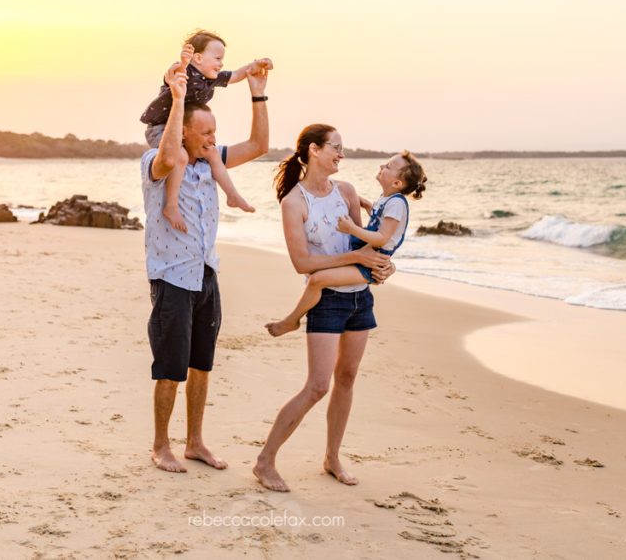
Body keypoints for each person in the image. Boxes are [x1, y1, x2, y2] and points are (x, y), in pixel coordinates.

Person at [140, 55, 270, 474]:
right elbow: (166, 156)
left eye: (215, 131)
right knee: (170, 369)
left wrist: (257, 91)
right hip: (172, 279)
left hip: (206, 275)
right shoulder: (159, 163)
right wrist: (178, 100)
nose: (214, 138)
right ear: (185, 133)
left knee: (201, 365)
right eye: (206, 132)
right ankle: (161, 446)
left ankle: (195, 441)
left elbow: (259, 146)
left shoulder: (209, 159)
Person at [253, 124, 395, 492]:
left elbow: (368, 246)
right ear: (314, 150)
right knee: (317, 386)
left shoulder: (346, 192)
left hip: (359, 297)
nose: (341, 155)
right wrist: (357, 256)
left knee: (346, 379)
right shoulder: (294, 203)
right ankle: (265, 461)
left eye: (342, 148)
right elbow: (302, 262)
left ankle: (332, 457)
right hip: (326, 301)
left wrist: (382, 266)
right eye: (336, 147)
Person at [265, 151, 427, 337]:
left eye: (388, 167)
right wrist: (365, 204)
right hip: (367, 253)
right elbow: (379, 219)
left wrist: (352, 229)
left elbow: (383, 237)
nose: (382, 166)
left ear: (397, 183)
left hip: (372, 260)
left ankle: (292, 320)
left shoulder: (397, 204)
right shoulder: (387, 199)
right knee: (318, 278)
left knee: (317, 280)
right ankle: (292, 319)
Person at [140, 30, 273, 232]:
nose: (221, 64)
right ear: (198, 58)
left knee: (212, 154)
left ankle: (232, 195)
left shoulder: (211, 79)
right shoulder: (186, 73)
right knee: (180, 156)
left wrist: (255, 70)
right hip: (161, 128)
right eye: (217, 58)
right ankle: (172, 205)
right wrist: (183, 62)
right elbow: (174, 75)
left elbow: (237, 74)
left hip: (205, 260)